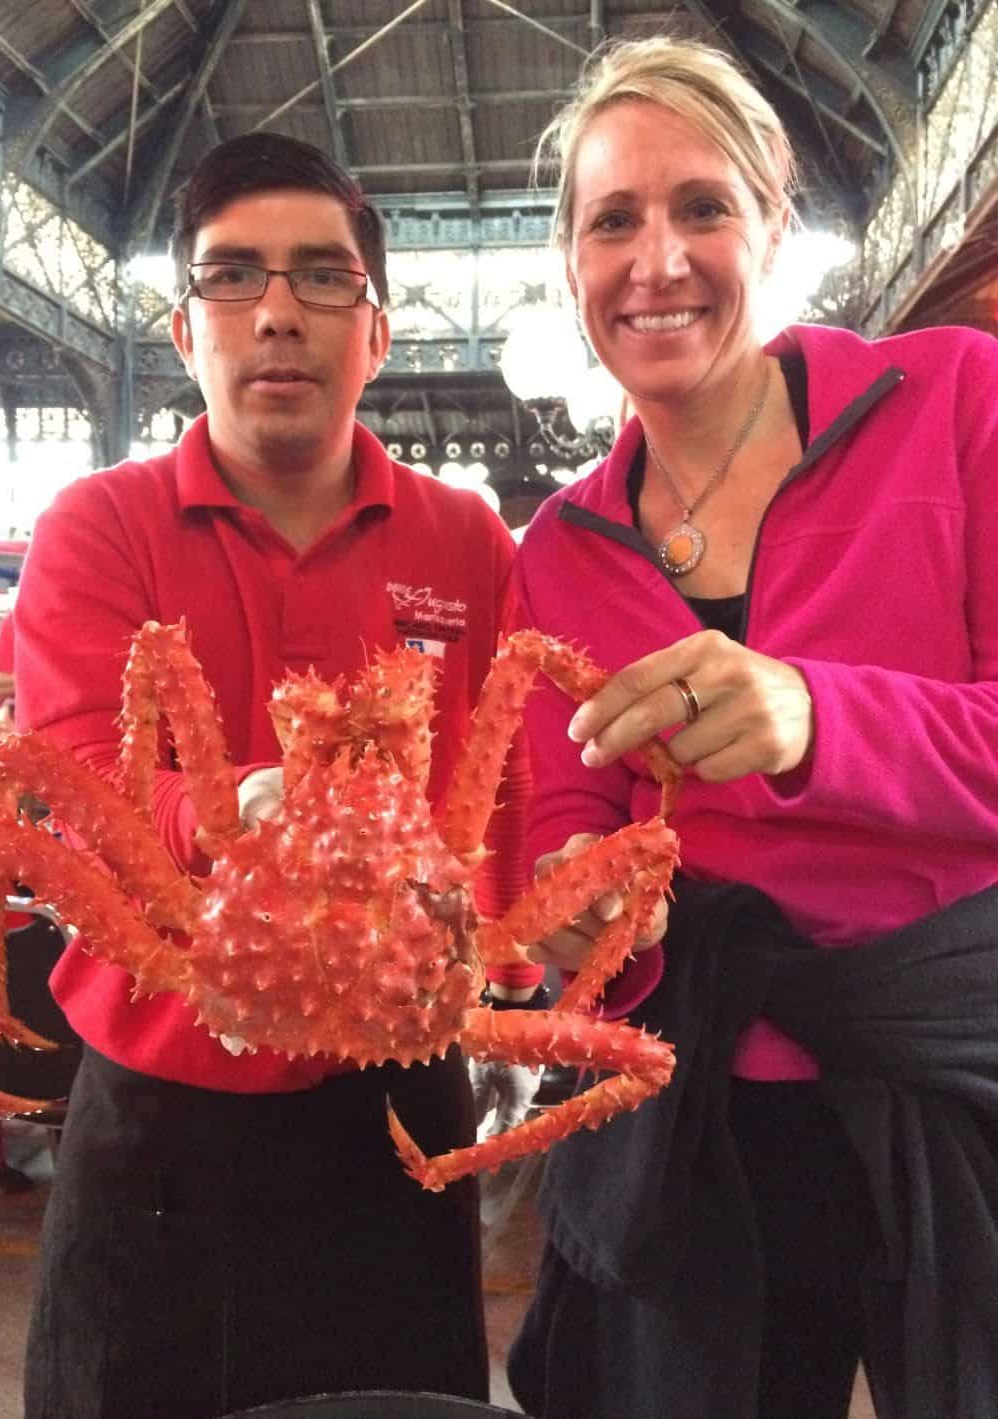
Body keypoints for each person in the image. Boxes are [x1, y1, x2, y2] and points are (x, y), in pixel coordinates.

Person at [505, 36, 998, 1419]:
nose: (656, 258)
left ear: (773, 223)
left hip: (955, 1071)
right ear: (573, 265)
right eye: (614, 220)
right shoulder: (557, 545)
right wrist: (573, 911)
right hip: (709, 1108)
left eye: (701, 207)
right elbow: (562, 818)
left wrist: (816, 712)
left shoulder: (955, 401)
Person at [12, 132, 534, 1419]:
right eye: (234, 278)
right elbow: (70, 768)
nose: (280, 313)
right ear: (186, 331)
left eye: (322, 279)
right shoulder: (102, 526)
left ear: (380, 331)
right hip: (158, 1110)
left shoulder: (464, 539)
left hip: (399, 1114)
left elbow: (512, 788)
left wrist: (520, 953)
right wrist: (225, 806)